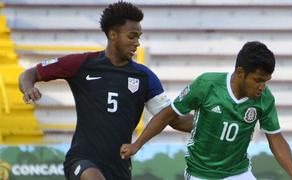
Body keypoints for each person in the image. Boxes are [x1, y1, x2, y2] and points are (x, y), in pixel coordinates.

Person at [19, 1, 192, 180]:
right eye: (132, 36)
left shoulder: (144, 77)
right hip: (82, 159)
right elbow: (29, 74)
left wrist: (213, 123)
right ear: (113, 35)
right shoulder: (83, 64)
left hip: (120, 166)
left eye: (139, 37)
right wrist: (28, 88)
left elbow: (174, 120)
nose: (137, 43)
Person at [120, 41, 292, 180]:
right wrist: (137, 144)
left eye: (266, 80)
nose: (262, 86)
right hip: (201, 173)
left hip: (238, 172)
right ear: (240, 73)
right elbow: (169, 113)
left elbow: (276, 138)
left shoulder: (265, 99)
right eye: (258, 80)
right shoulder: (207, 85)